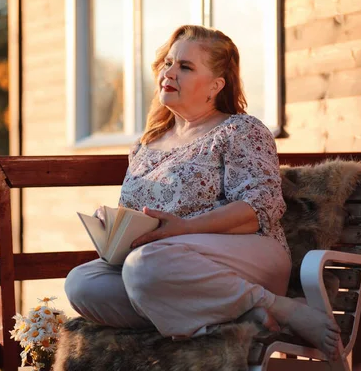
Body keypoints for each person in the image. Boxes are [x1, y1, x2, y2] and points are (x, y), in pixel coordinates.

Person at [64, 25, 341, 360]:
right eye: (168, 63)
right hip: (164, 266)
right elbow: (136, 216)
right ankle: (229, 317)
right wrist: (115, 230)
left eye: (185, 67)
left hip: (246, 255)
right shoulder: (146, 144)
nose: (169, 72)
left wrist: (184, 229)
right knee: (82, 282)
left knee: (144, 267)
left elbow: (260, 209)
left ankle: (277, 306)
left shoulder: (240, 130)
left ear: (215, 86)